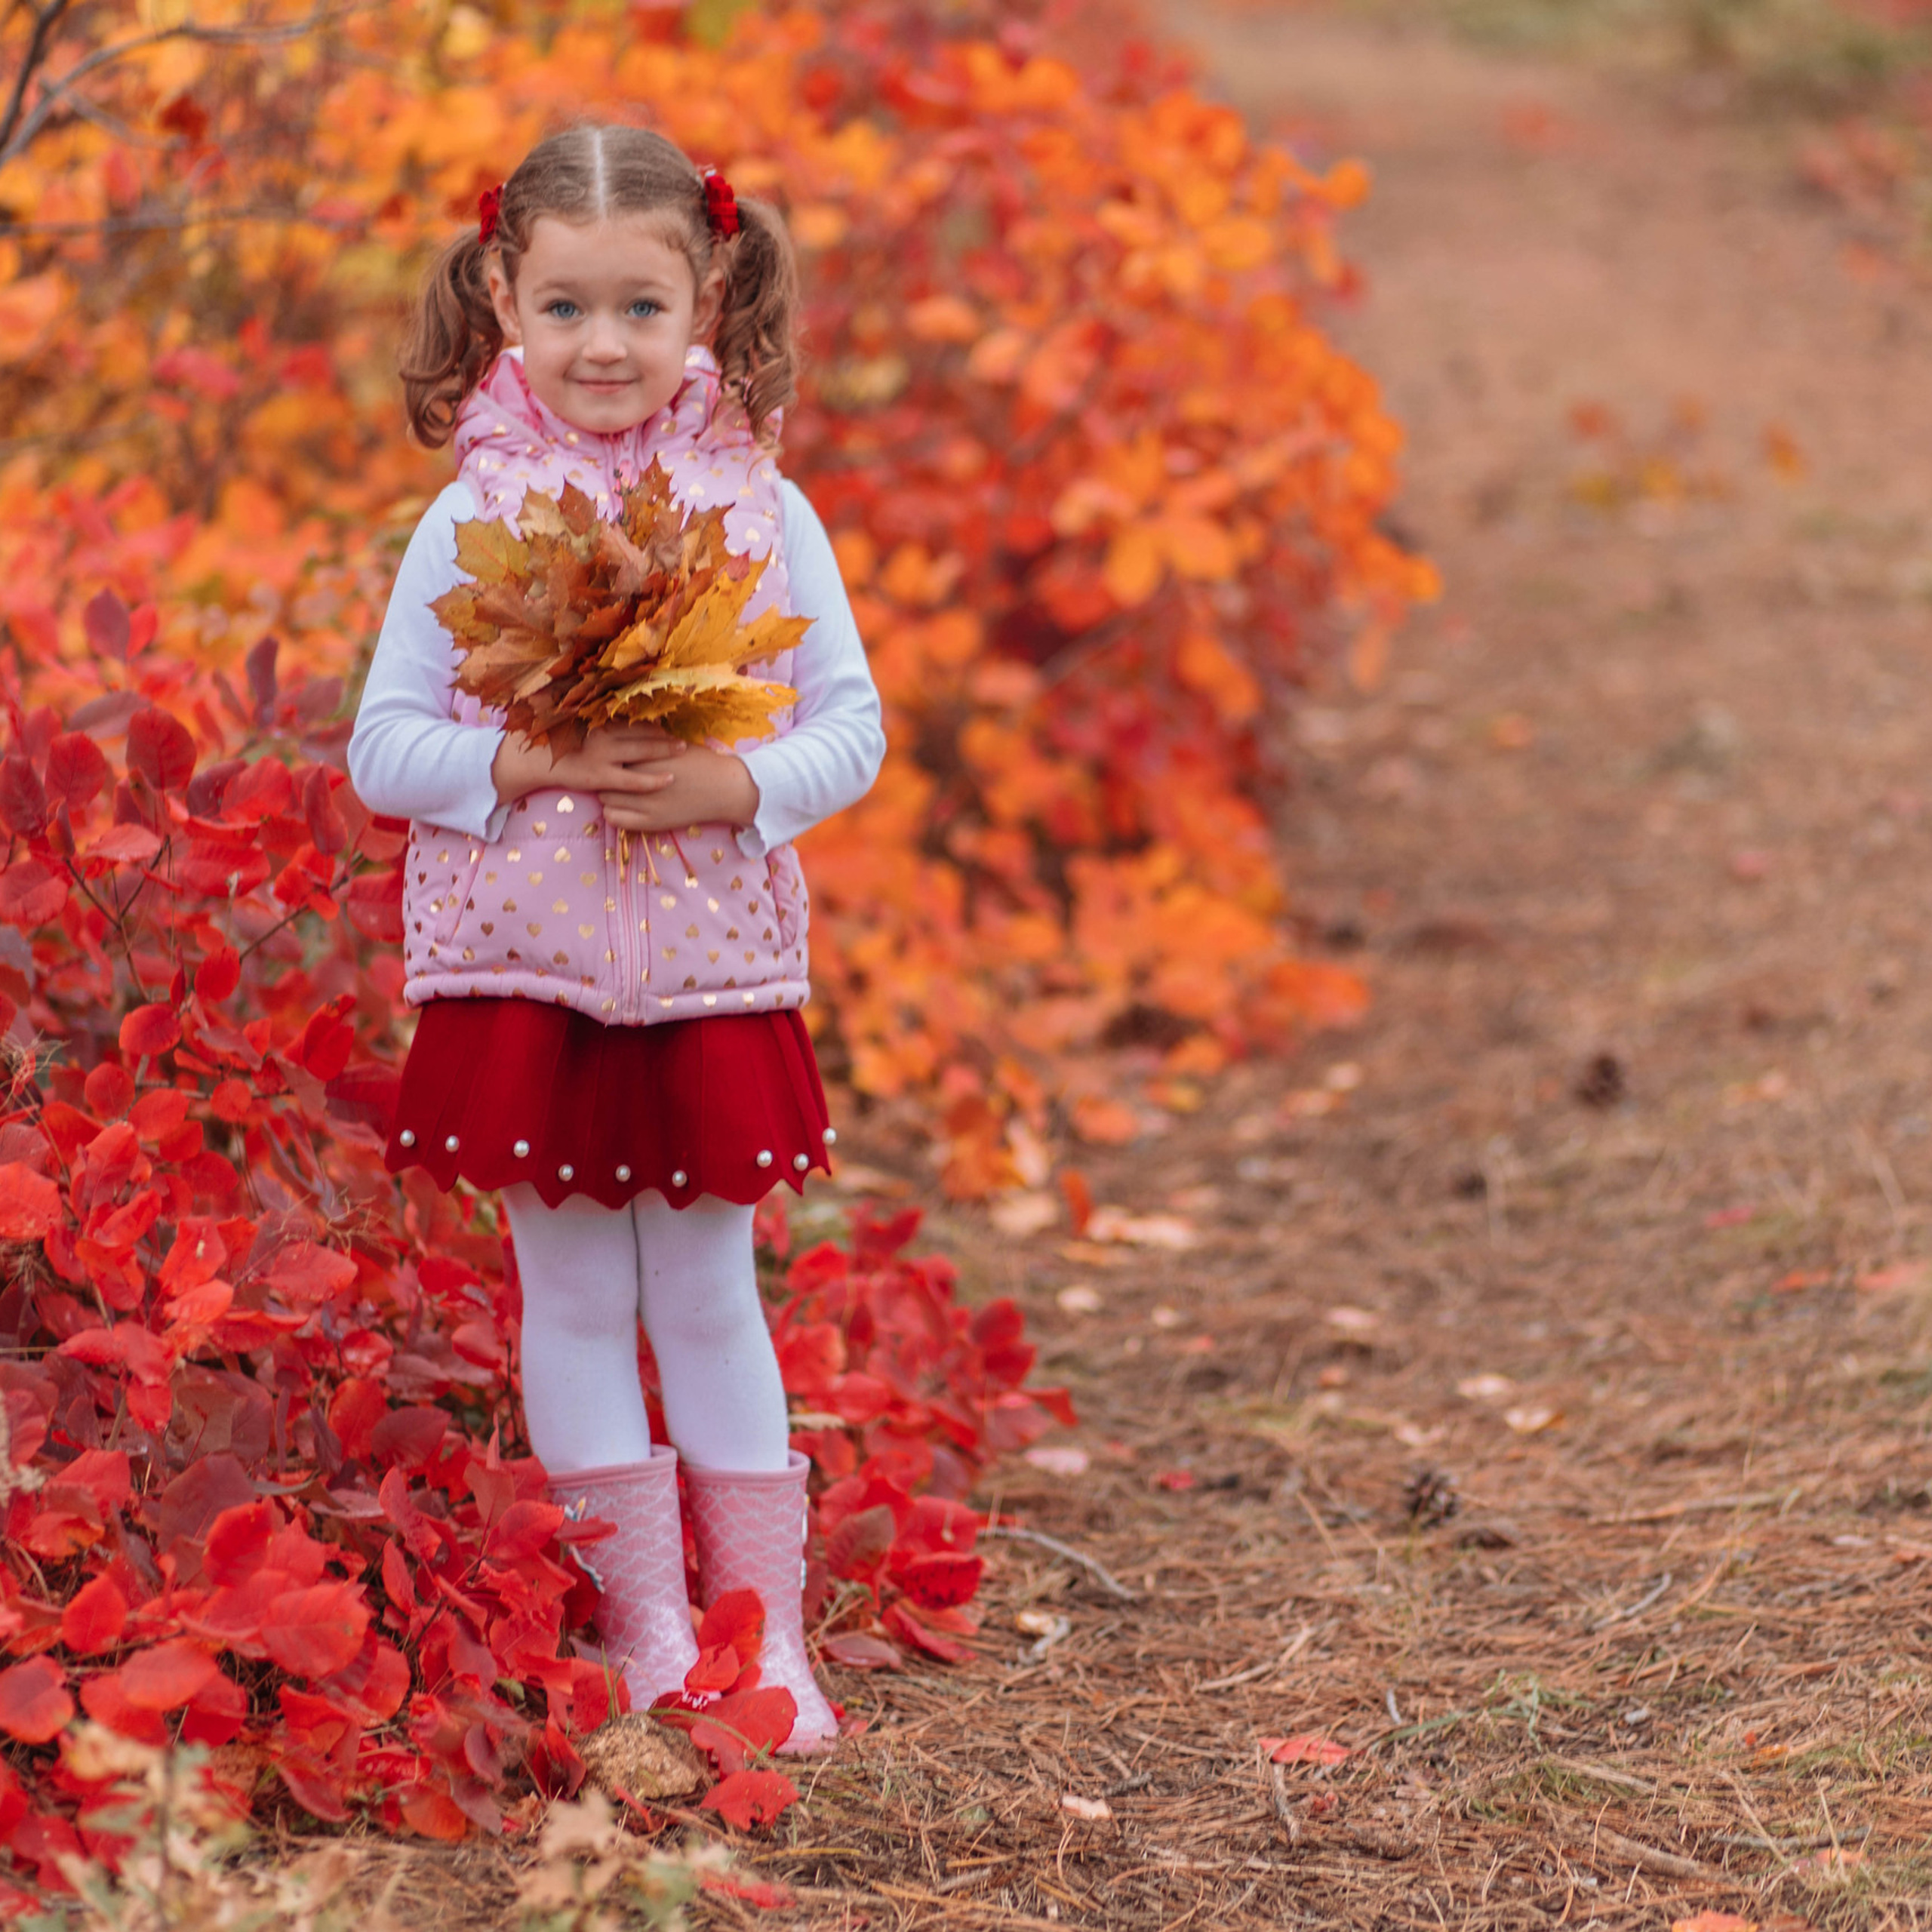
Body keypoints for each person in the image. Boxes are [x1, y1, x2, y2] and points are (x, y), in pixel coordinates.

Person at [347, 124, 884, 1754]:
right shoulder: (470, 521)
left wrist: (736, 780)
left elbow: (851, 729)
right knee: (574, 1296)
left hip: (712, 973)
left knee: (712, 1291)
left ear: (704, 297)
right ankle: (644, 1621)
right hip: (528, 976)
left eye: (639, 307)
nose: (602, 344)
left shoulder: (760, 509)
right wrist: (525, 760)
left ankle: (762, 1628)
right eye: (566, 305)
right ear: (503, 294)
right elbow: (382, 750)